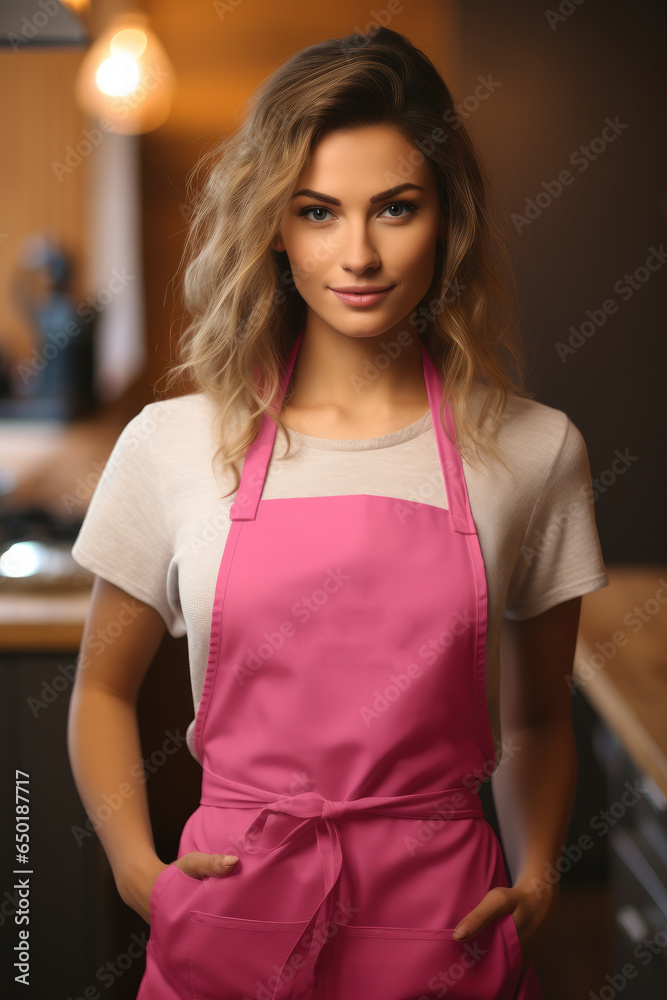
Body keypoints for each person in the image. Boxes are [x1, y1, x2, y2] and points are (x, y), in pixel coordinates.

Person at [67, 26, 609, 1000]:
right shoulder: (170, 444)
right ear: (275, 223)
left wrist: (534, 877)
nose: (356, 254)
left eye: (394, 208)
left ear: (448, 218)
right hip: (230, 926)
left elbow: (534, 717)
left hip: (442, 934)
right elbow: (101, 692)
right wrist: (136, 868)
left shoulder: (535, 451)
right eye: (318, 212)